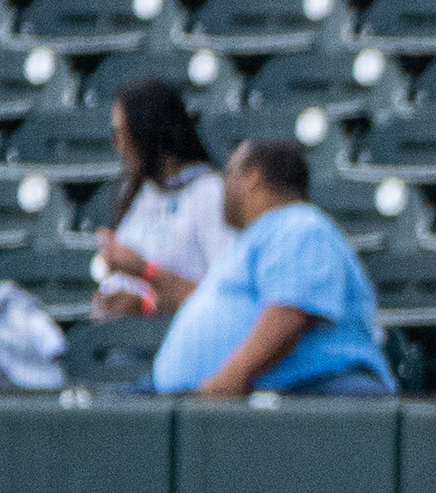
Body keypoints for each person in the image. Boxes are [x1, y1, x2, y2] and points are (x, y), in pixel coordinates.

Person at [148, 138, 396, 399]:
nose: (223, 184)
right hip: (231, 399)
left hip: (312, 393)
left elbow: (289, 312)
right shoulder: (257, 237)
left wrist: (229, 378)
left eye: (228, 173)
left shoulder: (297, 224)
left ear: (253, 179)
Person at [91, 73, 231, 319]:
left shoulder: (209, 192)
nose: (118, 145)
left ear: (148, 130)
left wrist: (148, 299)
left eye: (123, 132)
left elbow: (228, 299)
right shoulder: (137, 192)